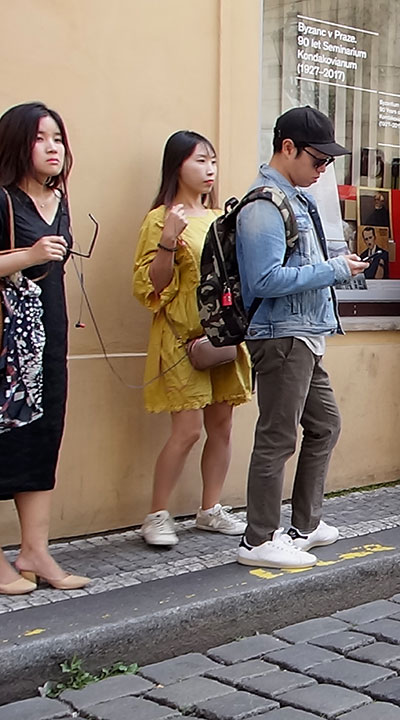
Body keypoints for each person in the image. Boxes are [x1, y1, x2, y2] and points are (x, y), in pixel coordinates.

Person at [234, 107, 368, 569]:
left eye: (328, 163)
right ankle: (259, 539)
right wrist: (333, 269)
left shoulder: (293, 197)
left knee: (325, 425)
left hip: (304, 335)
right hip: (281, 336)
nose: (323, 170)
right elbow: (264, 279)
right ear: (287, 148)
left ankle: (306, 524)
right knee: (276, 437)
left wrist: (337, 265)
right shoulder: (264, 203)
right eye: (318, 160)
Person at [132, 131, 252, 547]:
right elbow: (149, 287)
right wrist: (167, 240)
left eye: (213, 161)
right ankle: (156, 514)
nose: (209, 169)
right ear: (177, 165)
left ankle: (210, 508)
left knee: (222, 425)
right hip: (181, 338)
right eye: (200, 161)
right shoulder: (160, 218)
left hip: (223, 334)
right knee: (186, 430)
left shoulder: (222, 217)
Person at [0, 102, 88, 593]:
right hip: (5, 344)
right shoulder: (3, 200)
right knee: (2, 440)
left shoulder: (60, 201)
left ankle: (35, 549)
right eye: (40, 138)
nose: (53, 147)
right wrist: (27, 256)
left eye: (57, 137)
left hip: (46, 339)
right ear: (17, 143)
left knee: (42, 437)